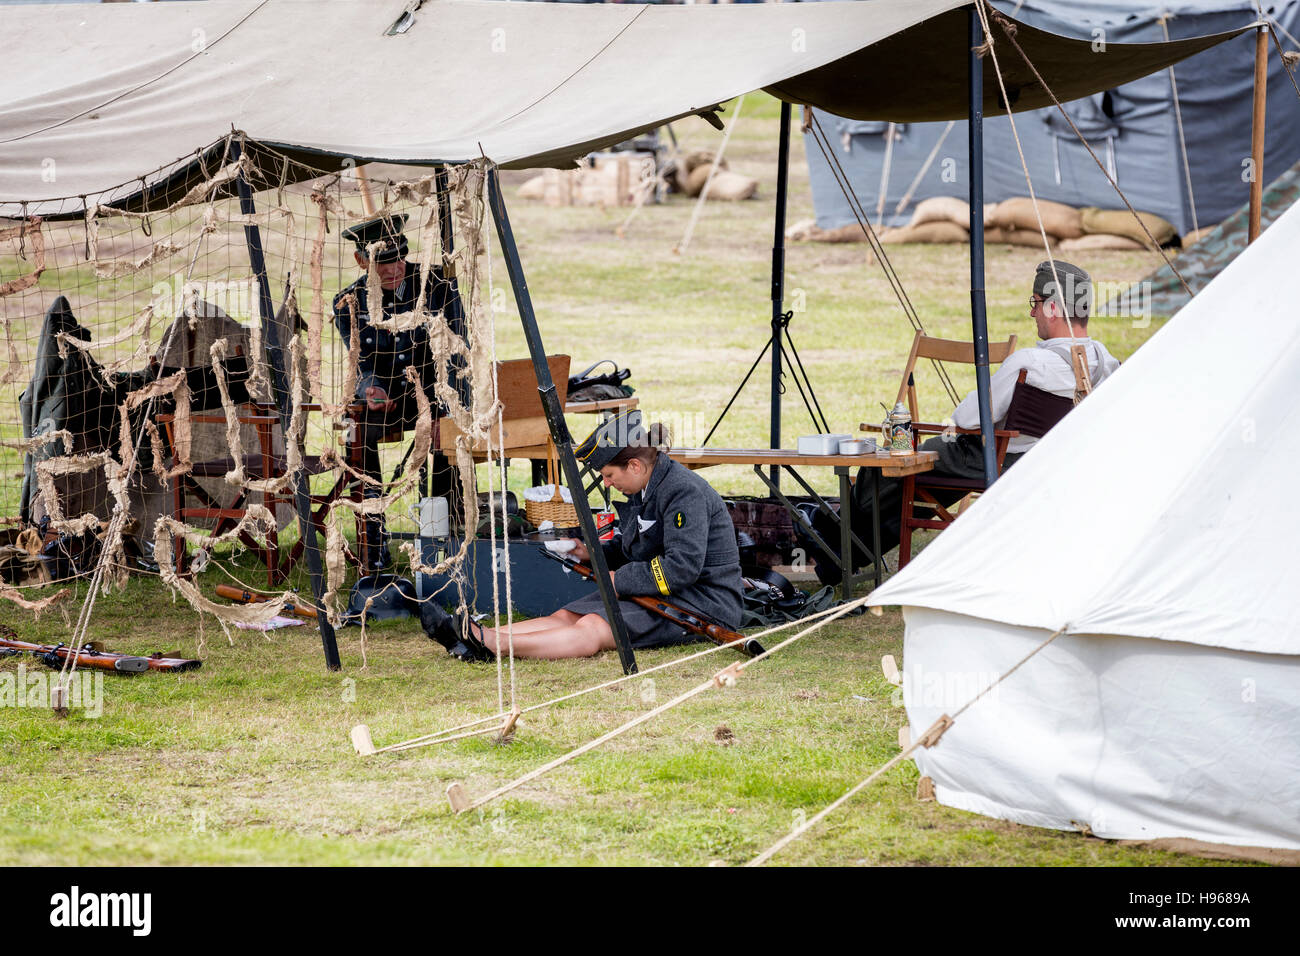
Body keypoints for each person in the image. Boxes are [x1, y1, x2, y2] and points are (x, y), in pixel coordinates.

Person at [806, 259, 1121, 581]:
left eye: (1036, 304)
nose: (1032, 313)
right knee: (921, 491)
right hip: (1045, 461)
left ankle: (829, 537)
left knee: (890, 468)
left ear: (1053, 308)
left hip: (992, 458)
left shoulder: (1031, 362)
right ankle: (843, 552)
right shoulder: (1107, 363)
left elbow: (967, 419)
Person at [421, 410, 745, 661]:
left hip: (702, 602)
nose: (605, 483)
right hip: (665, 591)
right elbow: (639, 548)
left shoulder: (683, 492)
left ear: (634, 465)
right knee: (567, 616)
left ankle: (490, 645)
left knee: (593, 628)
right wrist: (592, 554)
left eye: (608, 475)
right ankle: (475, 634)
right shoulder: (647, 485)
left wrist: (621, 580)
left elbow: (681, 569)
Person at [331, 214, 464, 569]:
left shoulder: (438, 285)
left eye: (399, 259)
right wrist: (370, 387)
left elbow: (455, 353)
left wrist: (442, 411)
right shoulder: (348, 302)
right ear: (361, 261)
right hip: (388, 398)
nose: (394, 270)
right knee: (355, 431)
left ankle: (445, 532)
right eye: (383, 263)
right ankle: (373, 537)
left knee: (446, 441)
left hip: (437, 393)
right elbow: (361, 361)